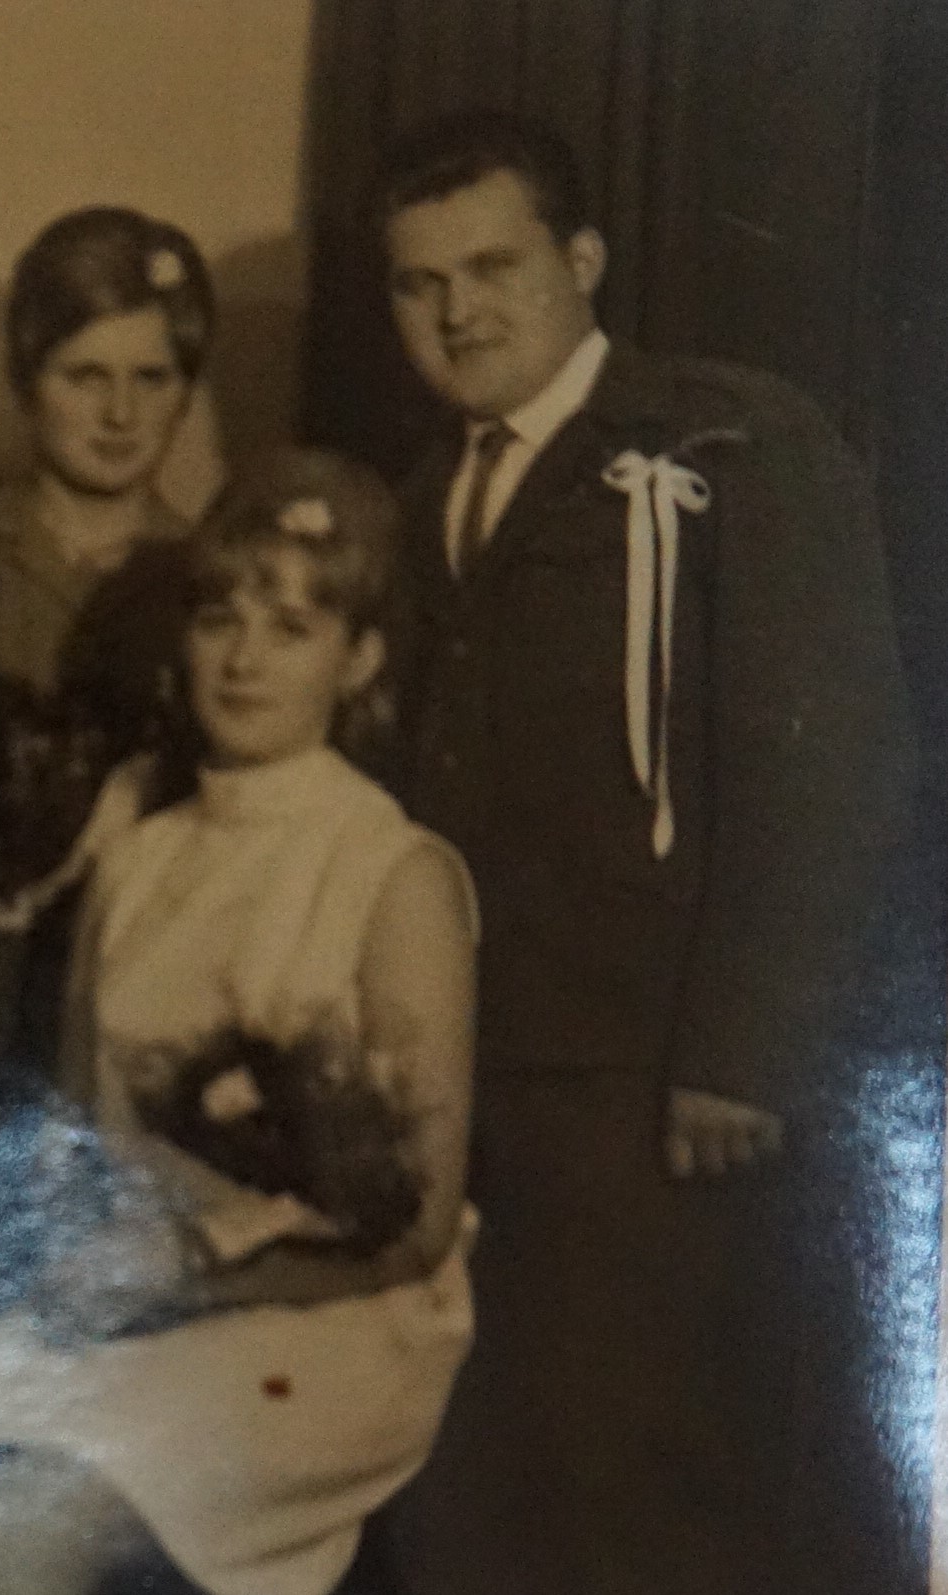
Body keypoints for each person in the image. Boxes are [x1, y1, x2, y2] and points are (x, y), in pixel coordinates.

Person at [370, 111, 918, 1595]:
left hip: (653, 1083)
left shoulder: (724, 445)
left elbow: (832, 763)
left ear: (583, 260)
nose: (457, 312)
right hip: (471, 1090)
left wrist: (741, 1044)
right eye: (418, 282)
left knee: (637, 1481)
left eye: (492, 267)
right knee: (480, 1488)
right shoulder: (417, 501)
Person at [0, 449, 477, 1595]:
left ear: (359, 658)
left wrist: (177, 1280)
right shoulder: (138, 857)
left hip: (330, 1317)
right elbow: (79, 1144)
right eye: (218, 618)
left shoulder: (393, 870)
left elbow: (415, 1225)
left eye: (290, 628)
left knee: (8, 1543)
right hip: (129, 1289)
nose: (242, 658)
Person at [0, 206, 212, 1082]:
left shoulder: (219, 586)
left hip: (149, 1006)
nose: (120, 414)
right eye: (85, 376)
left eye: (153, 378)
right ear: (27, 380)